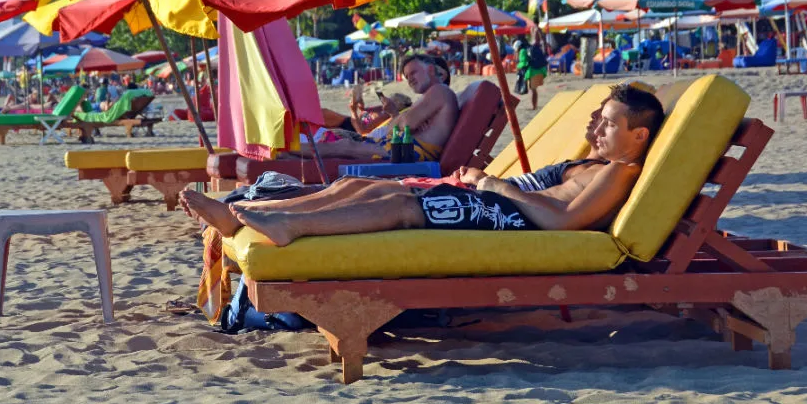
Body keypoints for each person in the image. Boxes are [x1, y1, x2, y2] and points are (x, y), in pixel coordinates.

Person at [180, 84, 664, 246]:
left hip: (511, 218)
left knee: (397, 203)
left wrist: (498, 185)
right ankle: (261, 213)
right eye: (599, 121)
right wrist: (483, 181)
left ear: (639, 136)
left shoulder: (619, 173)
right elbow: (558, 187)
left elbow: (562, 222)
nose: (598, 129)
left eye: (610, 124)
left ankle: (289, 225)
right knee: (358, 186)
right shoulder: (593, 160)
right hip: (493, 201)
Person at [303, 53, 459, 163]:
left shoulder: (440, 91)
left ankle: (286, 151)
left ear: (431, 70)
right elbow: (402, 124)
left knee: (345, 146)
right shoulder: (431, 97)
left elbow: (401, 125)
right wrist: (406, 122)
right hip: (405, 149)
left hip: (410, 154)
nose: (410, 79)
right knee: (341, 145)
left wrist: (405, 122)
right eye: (407, 76)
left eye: (414, 73)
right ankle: (289, 154)